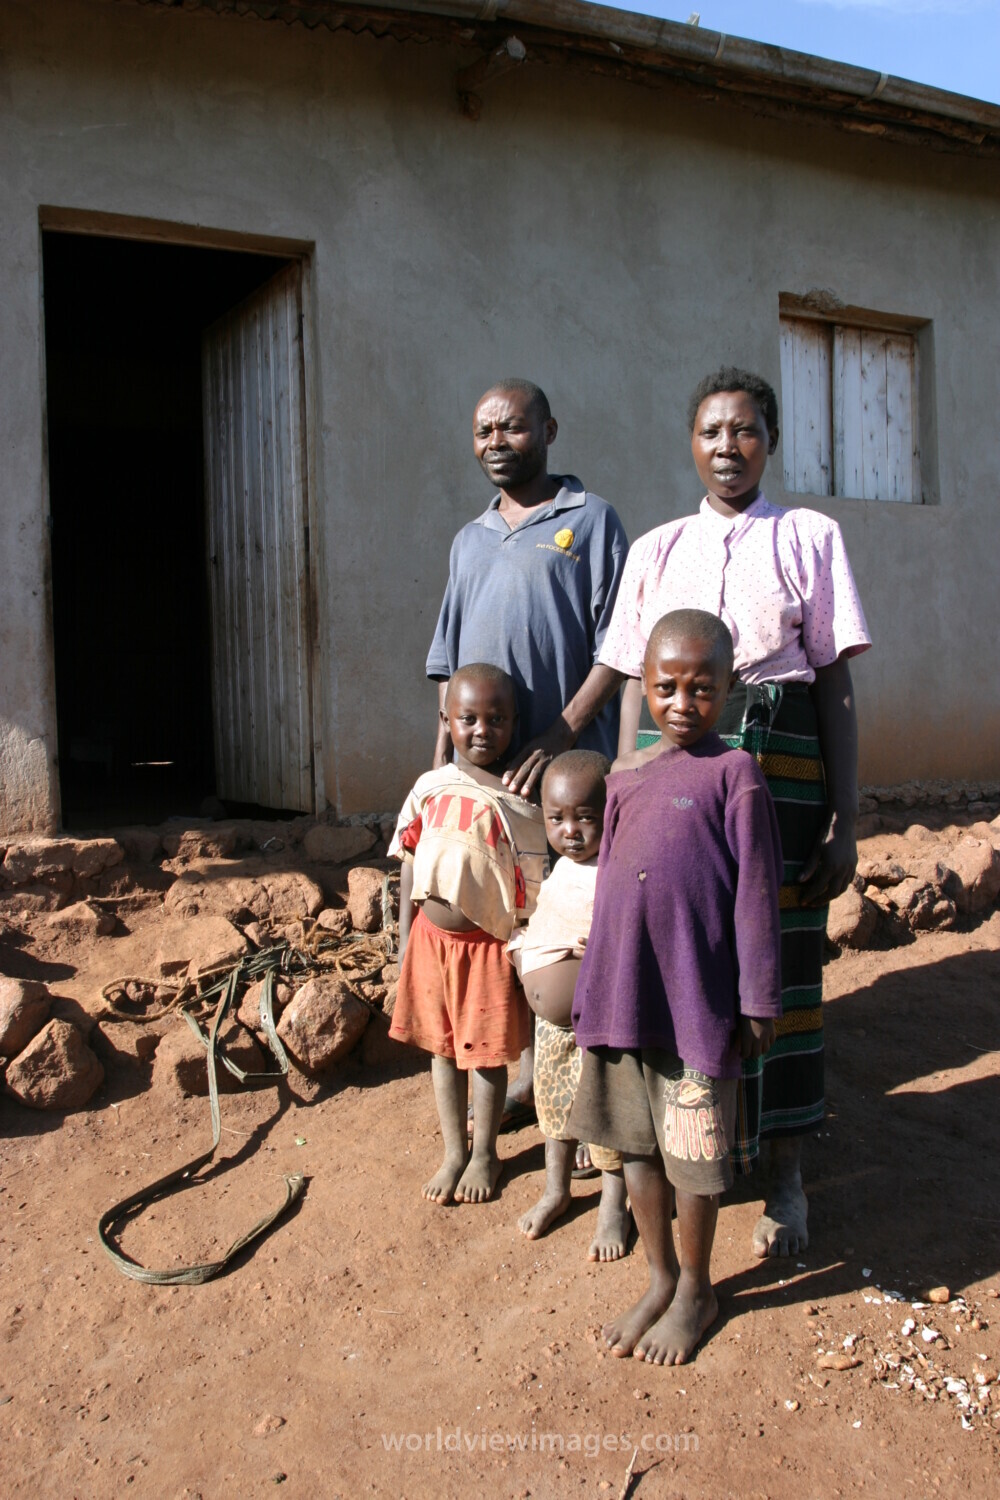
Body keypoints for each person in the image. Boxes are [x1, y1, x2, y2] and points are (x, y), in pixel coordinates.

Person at [598, 366, 872, 1259]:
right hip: (674, 773)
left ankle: (784, 1175)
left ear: (771, 441)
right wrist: (631, 781)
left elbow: (832, 682)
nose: (728, 446)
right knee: (684, 962)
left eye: (746, 430)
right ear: (691, 442)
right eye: (712, 431)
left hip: (782, 762)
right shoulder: (656, 548)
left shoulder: (810, 536)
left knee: (782, 966)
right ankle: (689, 1155)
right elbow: (639, 686)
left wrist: (846, 815)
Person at [569, 610, 784, 1365]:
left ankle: (698, 1287)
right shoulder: (625, 779)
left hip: (696, 1007)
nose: (683, 702)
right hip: (625, 1000)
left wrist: (758, 996)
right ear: (645, 689)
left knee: (692, 1156)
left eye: (701, 688)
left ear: (727, 689)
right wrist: (591, 989)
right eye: (667, 687)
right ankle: (660, 1277)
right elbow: (609, 896)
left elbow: (756, 892)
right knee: (635, 1150)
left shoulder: (735, 775)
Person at [427, 378, 629, 1127]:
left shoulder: (594, 520)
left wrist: (561, 733)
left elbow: (620, 645)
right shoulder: (469, 539)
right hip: (484, 791)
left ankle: (589, 1107)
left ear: (549, 429)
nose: (494, 444)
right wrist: (441, 775)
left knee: (572, 938)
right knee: (497, 939)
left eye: (510, 428)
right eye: (482, 432)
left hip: (564, 783)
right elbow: (447, 670)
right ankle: (526, 1087)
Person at [388, 664, 549, 1205]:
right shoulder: (430, 788)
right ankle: (453, 1150)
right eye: (469, 718)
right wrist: (406, 937)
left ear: (515, 723)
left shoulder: (520, 801)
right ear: (446, 721)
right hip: (432, 944)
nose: (483, 730)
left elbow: (528, 882)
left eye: (497, 719)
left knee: (483, 1056)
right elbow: (410, 864)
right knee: (441, 1052)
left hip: (487, 952)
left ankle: (486, 1154)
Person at [507, 750, 631, 1263]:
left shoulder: (616, 873)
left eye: (585, 817)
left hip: (598, 1030)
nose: (571, 831)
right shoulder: (560, 869)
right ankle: (556, 1190)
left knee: (606, 1121)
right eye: (557, 819)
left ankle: (611, 1207)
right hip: (553, 1031)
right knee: (554, 1114)